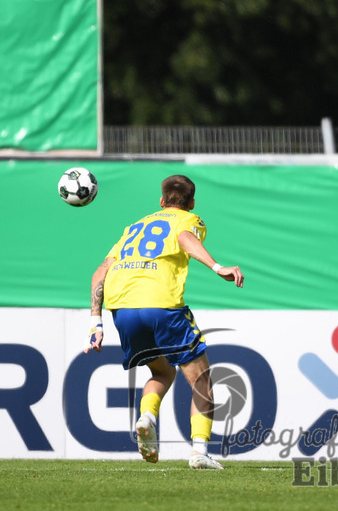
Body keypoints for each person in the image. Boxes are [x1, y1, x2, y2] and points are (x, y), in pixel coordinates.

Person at [84, 175, 243, 470]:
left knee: (162, 372)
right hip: (161, 305)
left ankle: (147, 417)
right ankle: (199, 452)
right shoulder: (189, 219)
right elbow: (185, 238)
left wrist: (97, 323)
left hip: (123, 309)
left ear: (161, 201)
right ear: (191, 203)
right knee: (201, 380)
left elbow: (101, 271)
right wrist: (217, 266)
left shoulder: (134, 227)